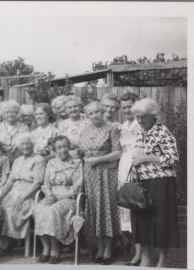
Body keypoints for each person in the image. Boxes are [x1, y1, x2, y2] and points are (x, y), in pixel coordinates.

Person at [130, 98, 179, 268]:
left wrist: (146, 158)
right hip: (141, 183)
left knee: (162, 221)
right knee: (141, 220)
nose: (139, 121)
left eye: (143, 117)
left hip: (161, 183)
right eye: (137, 117)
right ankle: (146, 258)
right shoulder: (139, 132)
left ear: (153, 116)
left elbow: (173, 158)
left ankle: (163, 260)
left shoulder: (163, 132)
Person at [78, 101, 122, 265]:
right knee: (95, 209)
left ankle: (109, 249)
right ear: (87, 116)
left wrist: (98, 159)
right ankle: (100, 247)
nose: (94, 115)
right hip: (90, 174)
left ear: (102, 111)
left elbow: (118, 152)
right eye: (90, 113)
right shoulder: (84, 131)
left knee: (107, 209)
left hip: (107, 174)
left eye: (97, 112)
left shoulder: (112, 128)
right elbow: (81, 154)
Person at [33, 136, 83, 264]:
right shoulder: (51, 163)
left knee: (53, 212)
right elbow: (46, 183)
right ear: (54, 149)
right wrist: (49, 194)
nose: (62, 150)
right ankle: (46, 247)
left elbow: (78, 185)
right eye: (59, 147)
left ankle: (56, 249)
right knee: (38, 209)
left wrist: (62, 196)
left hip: (69, 198)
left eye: (65, 146)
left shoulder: (76, 162)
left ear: (69, 147)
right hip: (52, 196)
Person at [0, 133, 45, 245]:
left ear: (33, 145)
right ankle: (4, 241)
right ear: (19, 146)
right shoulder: (17, 160)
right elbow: (10, 181)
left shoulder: (38, 159)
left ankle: (9, 242)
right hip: (13, 192)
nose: (25, 147)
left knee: (12, 210)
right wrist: (0, 197)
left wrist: (22, 198)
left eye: (28, 144)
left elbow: (37, 183)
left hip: (29, 194)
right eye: (22, 144)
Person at [118, 92, 142, 265]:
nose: (127, 110)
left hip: (136, 167)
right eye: (124, 107)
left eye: (129, 106)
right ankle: (130, 247)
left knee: (136, 209)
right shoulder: (123, 125)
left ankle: (139, 253)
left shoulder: (140, 124)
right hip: (123, 167)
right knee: (124, 208)